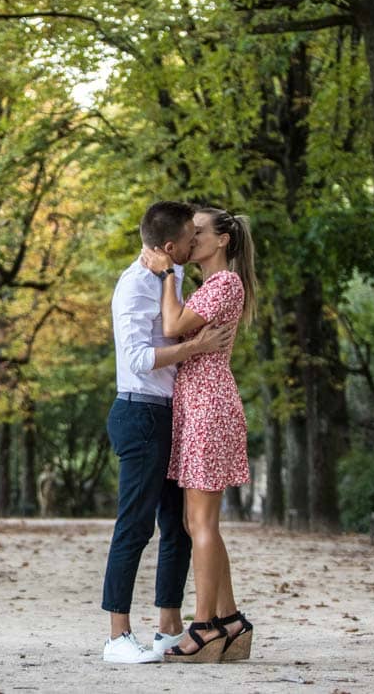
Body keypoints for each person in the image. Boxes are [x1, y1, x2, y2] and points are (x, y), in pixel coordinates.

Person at [101, 200, 236, 664]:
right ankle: (118, 634)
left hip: (173, 414)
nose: (194, 242)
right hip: (139, 413)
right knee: (135, 526)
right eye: (189, 237)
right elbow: (137, 359)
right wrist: (195, 347)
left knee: (176, 528)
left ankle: (168, 627)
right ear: (170, 245)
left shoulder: (174, 277)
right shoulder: (135, 285)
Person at [141, 205, 257, 664]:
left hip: (208, 405)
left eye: (199, 232)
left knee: (201, 524)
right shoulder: (212, 285)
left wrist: (168, 274)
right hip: (199, 403)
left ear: (222, 240)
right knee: (197, 523)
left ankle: (205, 625)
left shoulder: (225, 282)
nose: (191, 238)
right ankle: (230, 620)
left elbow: (172, 327)